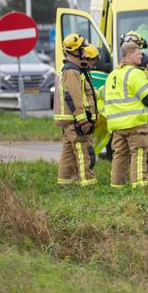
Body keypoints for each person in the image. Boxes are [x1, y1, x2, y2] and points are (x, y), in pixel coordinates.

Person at [104, 39, 148, 188]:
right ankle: (140, 186)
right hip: (135, 123)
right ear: (129, 56)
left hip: (116, 125)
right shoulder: (135, 74)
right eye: (138, 54)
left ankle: (117, 186)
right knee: (139, 153)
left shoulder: (112, 75)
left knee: (119, 156)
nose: (142, 57)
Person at [54, 33, 98, 186]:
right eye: (82, 49)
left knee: (68, 153)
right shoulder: (72, 70)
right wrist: (83, 120)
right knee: (83, 151)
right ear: (74, 51)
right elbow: (74, 97)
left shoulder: (73, 68)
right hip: (75, 118)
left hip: (69, 119)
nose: (85, 52)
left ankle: (64, 183)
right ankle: (88, 183)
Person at [122, 30, 148, 174]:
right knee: (134, 147)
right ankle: (136, 173)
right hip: (133, 114)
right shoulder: (123, 66)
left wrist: (136, 79)